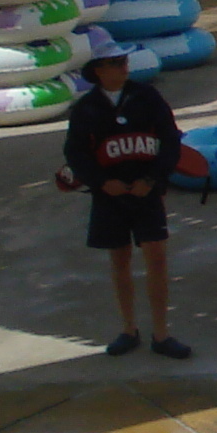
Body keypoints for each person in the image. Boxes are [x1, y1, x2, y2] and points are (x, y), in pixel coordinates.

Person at [58, 49, 192, 359]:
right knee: (120, 261)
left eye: (124, 62)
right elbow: (76, 154)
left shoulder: (147, 97)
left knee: (156, 259)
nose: (123, 68)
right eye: (115, 64)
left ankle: (162, 333)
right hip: (109, 198)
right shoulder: (86, 109)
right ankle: (128, 329)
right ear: (98, 71)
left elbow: (170, 141)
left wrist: (153, 180)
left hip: (146, 194)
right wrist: (103, 182)